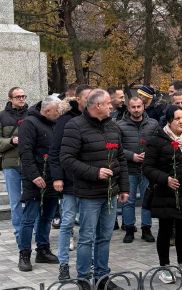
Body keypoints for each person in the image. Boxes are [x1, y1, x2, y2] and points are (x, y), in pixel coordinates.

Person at [60, 89, 129, 290]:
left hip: (111, 192)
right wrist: (94, 172)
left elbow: (121, 158)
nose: (111, 106)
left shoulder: (113, 126)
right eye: (108, 103)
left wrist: (123, 187)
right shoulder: (75, 126)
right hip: (89, 193)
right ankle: (83, 278)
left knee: (105, 237)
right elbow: (66, 159)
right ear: (97, 105)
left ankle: (102, 278)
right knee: (87, 238)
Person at [143, 105, 182, 284]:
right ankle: (165, 266)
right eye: (177, 118)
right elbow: (147, 167)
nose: (181, 121)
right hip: (165, 193)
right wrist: (165, 179)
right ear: (169, 120)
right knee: (166, 230)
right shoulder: (157, 140)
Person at [49, 84, 92, 280]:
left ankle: (87, 263)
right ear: (78, 99)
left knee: (88, 225)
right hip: (70, 181)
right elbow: (55, 151)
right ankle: (64, 265)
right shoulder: (65, 120)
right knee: (67, 223)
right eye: (88, 97)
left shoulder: (96, 120)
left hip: (91, 181)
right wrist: (57, 177)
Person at [17, 95, 62, 272]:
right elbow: (25, 152)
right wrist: (34, 175)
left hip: (52, 178)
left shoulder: (54, 124)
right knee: (29, 218)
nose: (59, 114)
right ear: (47, 110)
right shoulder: (29, 123)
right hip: (34, 178)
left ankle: (43, 249)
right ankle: (24, 254)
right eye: (57, 111)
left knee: (48, 217)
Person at [117, 96, 158, 243]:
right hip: (129, 169)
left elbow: (158, 142)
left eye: (139, 106)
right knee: (128, 201)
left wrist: (150, 153)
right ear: (128, 108)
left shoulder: (153, 124)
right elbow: (117, 147)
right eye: (133, 107)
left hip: (147, 169)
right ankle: (129, 229)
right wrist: (131, 156)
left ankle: (146, 229)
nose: (136, 110)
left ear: (143, 107)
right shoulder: (120, 125)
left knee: (147, 200)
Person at [0, 87, 28, 246]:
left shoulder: (31, 114)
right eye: (18, 97)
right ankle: (20, 237)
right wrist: (11, 141)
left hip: (29, 164)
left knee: (32, 201)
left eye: (23, 96)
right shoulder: (2, 116)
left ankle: (33, 234)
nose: (22, 99)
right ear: (10, 98)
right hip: (10, 165)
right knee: (15, 202)